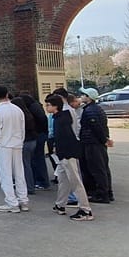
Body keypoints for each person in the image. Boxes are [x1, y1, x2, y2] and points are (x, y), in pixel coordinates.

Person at [46, 93, 93, 221]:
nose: (46, 107)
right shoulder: (60, 117)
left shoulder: (62, 120)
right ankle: (60, 204)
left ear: (56, 106)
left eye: (48, 105)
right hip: (63, 154)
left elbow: (67, 138)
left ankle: (85, 210)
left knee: (75, 182)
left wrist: (63, 152)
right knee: (63, 180)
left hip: (68, 154)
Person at [0, 85, 29, 212]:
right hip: (17, 144)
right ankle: (23, 200)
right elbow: (22, 128)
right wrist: (20, 141)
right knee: (19, 173)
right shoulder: (17, 110)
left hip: (4, 145)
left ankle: (12, 202)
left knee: (5, 174)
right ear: (7, 94)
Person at [77, 87, 115, 204]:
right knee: (103, 167)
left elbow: (96, 127)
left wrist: (103, 139)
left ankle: (102, 194)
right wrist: (105, 139)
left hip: (92, 143)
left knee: (97, 169)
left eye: (83, 95)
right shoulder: (96, 109)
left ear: (88, 97)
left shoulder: (90, 111)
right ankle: (107, 192)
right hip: (97, 142)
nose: (81, 96)